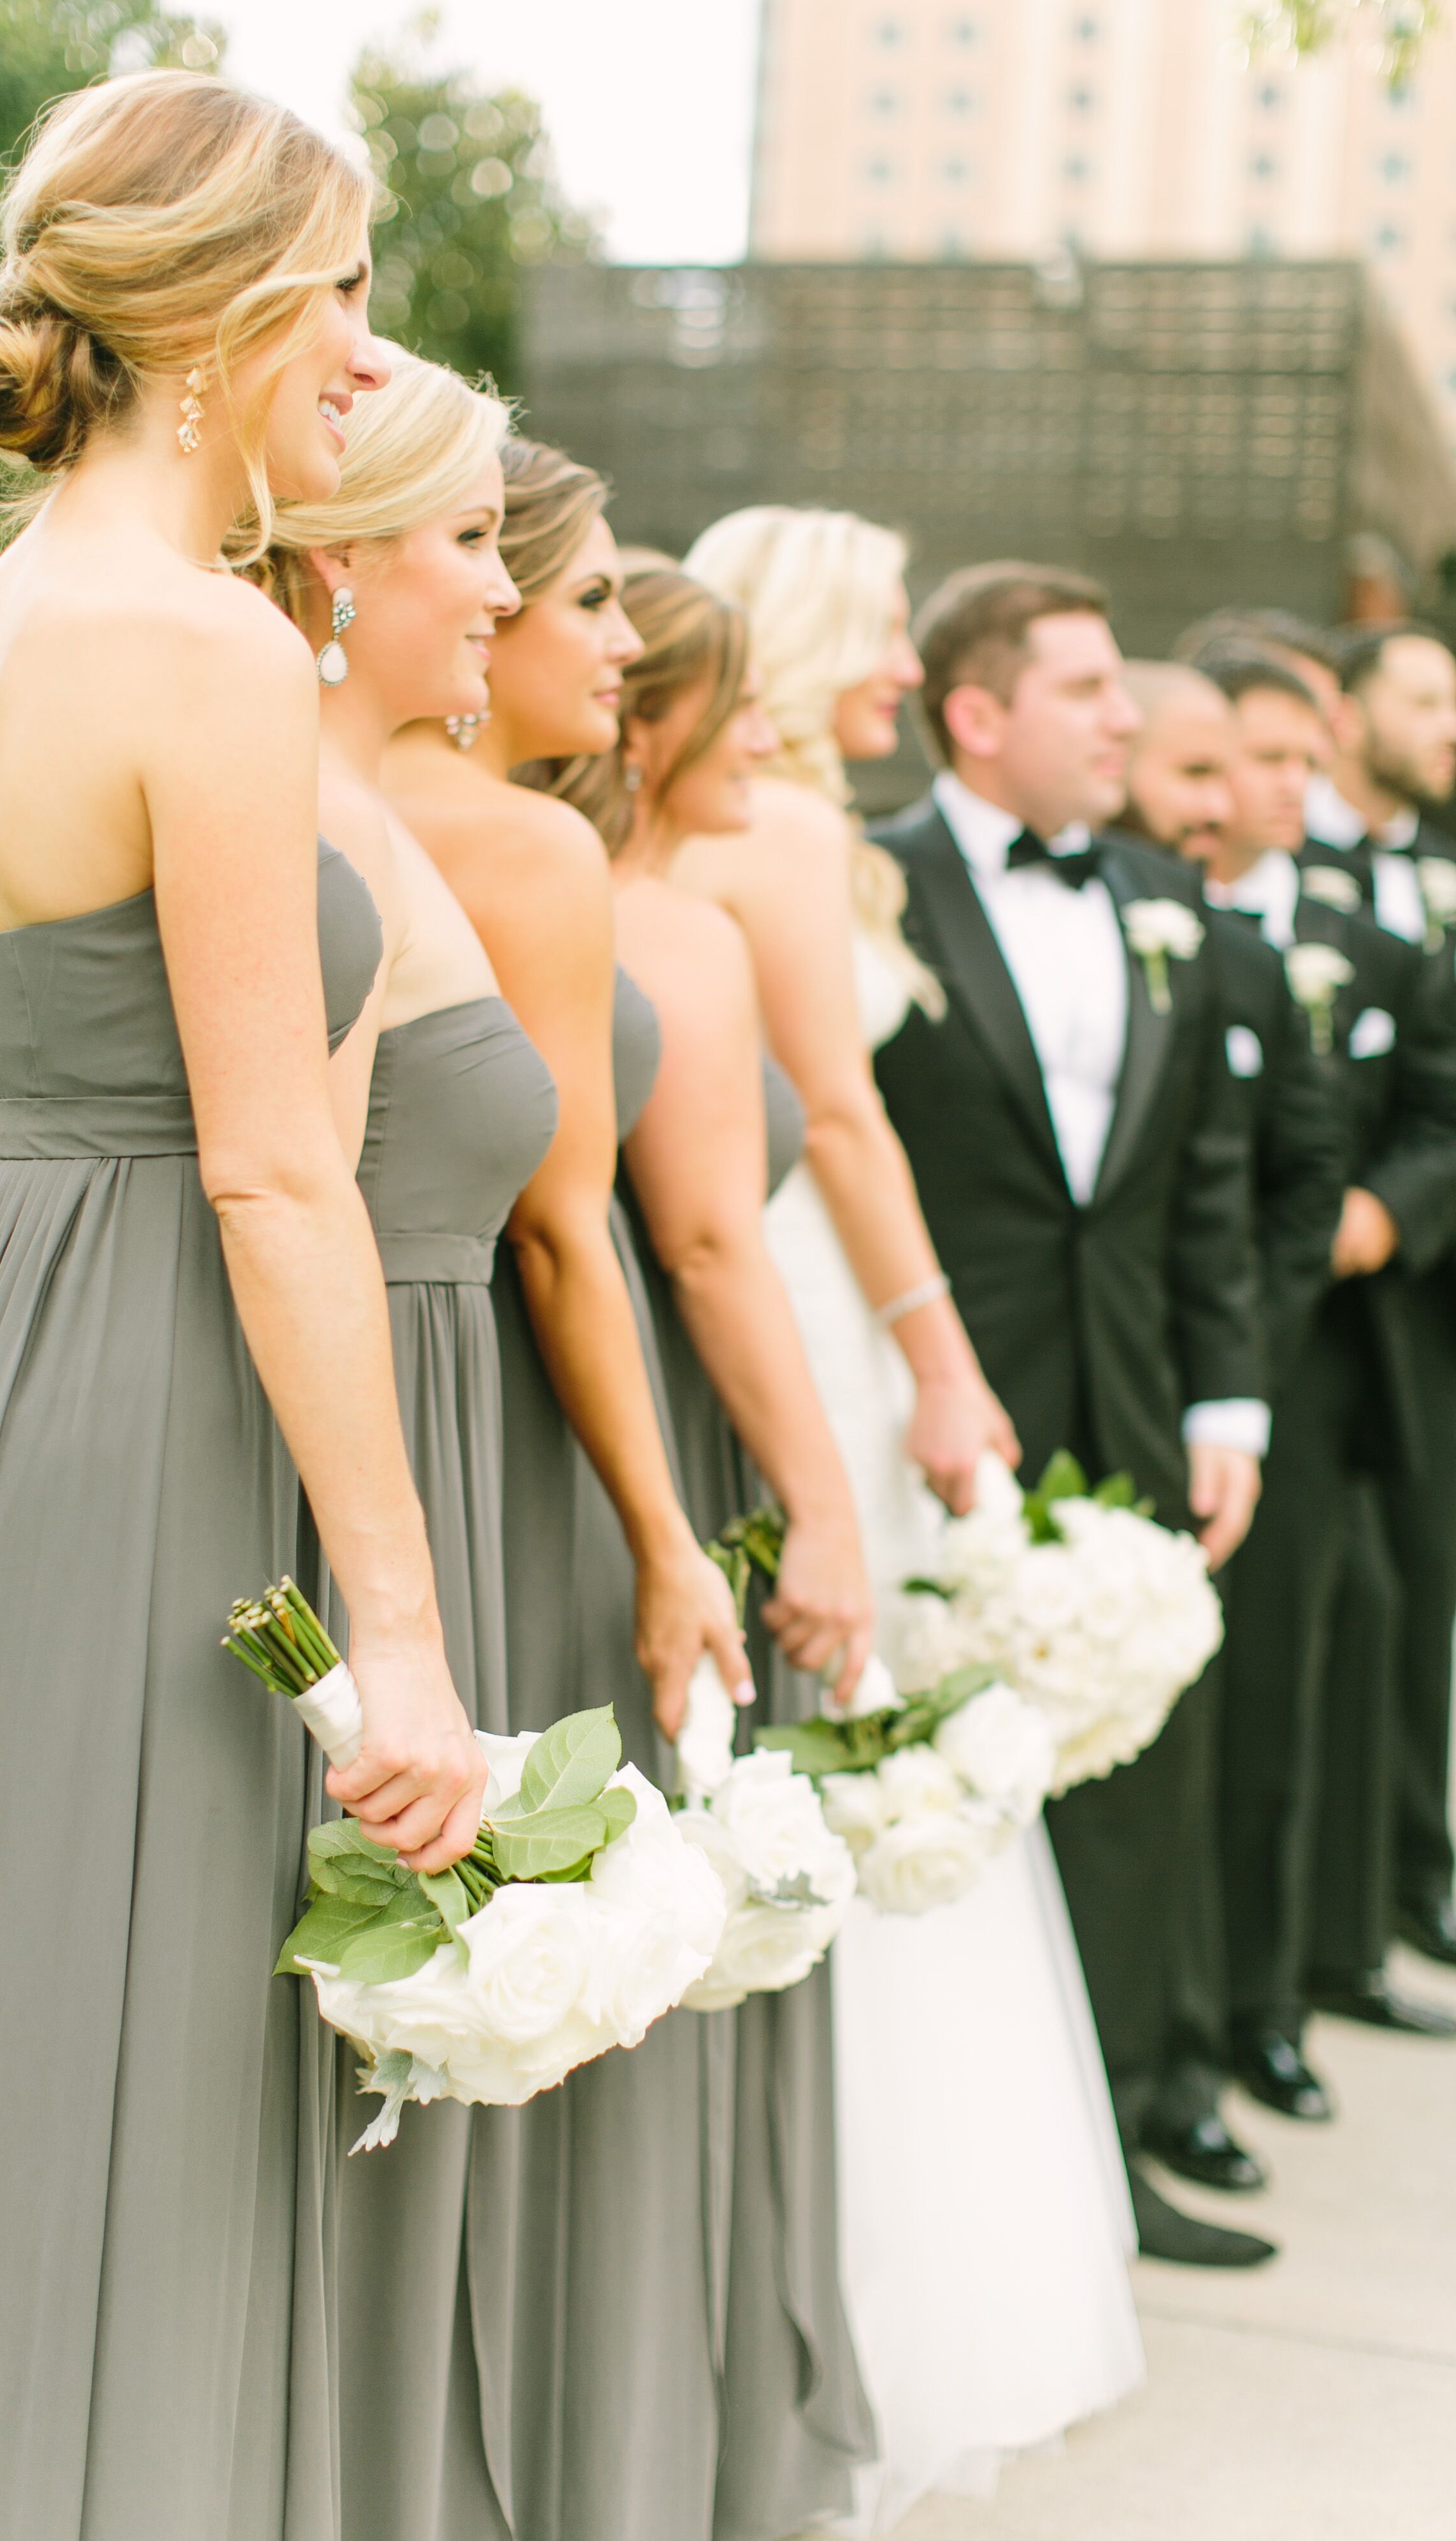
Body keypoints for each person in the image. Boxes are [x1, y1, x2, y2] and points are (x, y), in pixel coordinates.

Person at [0, 73, 488, 2541]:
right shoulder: (196, 651)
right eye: (353, 298)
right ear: (232, 316)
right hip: (163, 1402)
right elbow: (277, 1166)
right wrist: (402, 1624)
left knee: (8, 2050)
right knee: (142, 2087)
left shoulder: (5, 628)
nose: (369, 364)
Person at [678, 504, 1145, 2533]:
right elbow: (841, 1124)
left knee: (819, 1769)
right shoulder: (771, 827)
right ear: (798, 639)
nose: (896, 662)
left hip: (796, 1320)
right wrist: (943, 1369)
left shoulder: (748, 820)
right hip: (812, 1330)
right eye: (877, 626)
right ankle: (838, 2290)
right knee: (837, 1771)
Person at [390, 454, 828, 2541]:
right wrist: (693, 1537)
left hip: (522, 1419)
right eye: (565, 596)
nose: (624, 643)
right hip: (540, 1431)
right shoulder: (523, 870)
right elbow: (605, 1236)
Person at [868, 563, 1271, 2271]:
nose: (1131, 720)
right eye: (1092, 690)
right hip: (919, 1408)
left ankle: (1106, 2149)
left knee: (1120, 1773)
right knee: (925, 1782)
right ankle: (925, 2175)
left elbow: (1204, 1184)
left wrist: (1225, 1395)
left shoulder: (1161, 899)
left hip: (1125, 1397)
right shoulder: (868, 887)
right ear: (979, 714)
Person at [250, 351, 556, 2541]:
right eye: (472, 537)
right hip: (354, 1467)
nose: (511, 586)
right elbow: (291, 1192)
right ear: (346, 568)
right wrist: (401, 1618)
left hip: (423, 1446)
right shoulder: (314, 811)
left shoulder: (370, 808)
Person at [545, 557, 877, 2539]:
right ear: (655, 724)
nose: (771, 738)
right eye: (740, 706)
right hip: (663, 1440)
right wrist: (819, 1509)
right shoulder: (654, 922)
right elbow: (705, 1238)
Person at [1183, 644, 1456, 2130]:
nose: (1279, 787)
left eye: (1300, 758)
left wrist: (1387, 1213)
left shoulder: (1372, 939)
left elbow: (1440, 1103)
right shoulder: (1163, 922)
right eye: (1252, 757)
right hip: (1175, 1356)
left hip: (1325, 1362)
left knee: (1296, 1689)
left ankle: (1262, 2001)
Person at [1114, 659, 1346, 2202]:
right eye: (1193, 771)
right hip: (1029, 1383)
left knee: (1191, 1756)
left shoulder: (1238, 961)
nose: (1220, 808)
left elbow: (1276, 1181)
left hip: (1199, 1394)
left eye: (1239, 774)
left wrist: (1231, 1376)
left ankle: (1187, 2054)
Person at [1299, 624, 1456, 1976]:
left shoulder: (1445, 874)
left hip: (1423, 1281)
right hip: (1331, 1305)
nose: (1450, 722)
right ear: (1347, 716)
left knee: (1422, 1602)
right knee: (1369, 1602)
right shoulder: (1288, 878)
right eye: (1424, 697)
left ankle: (1419, 1866)